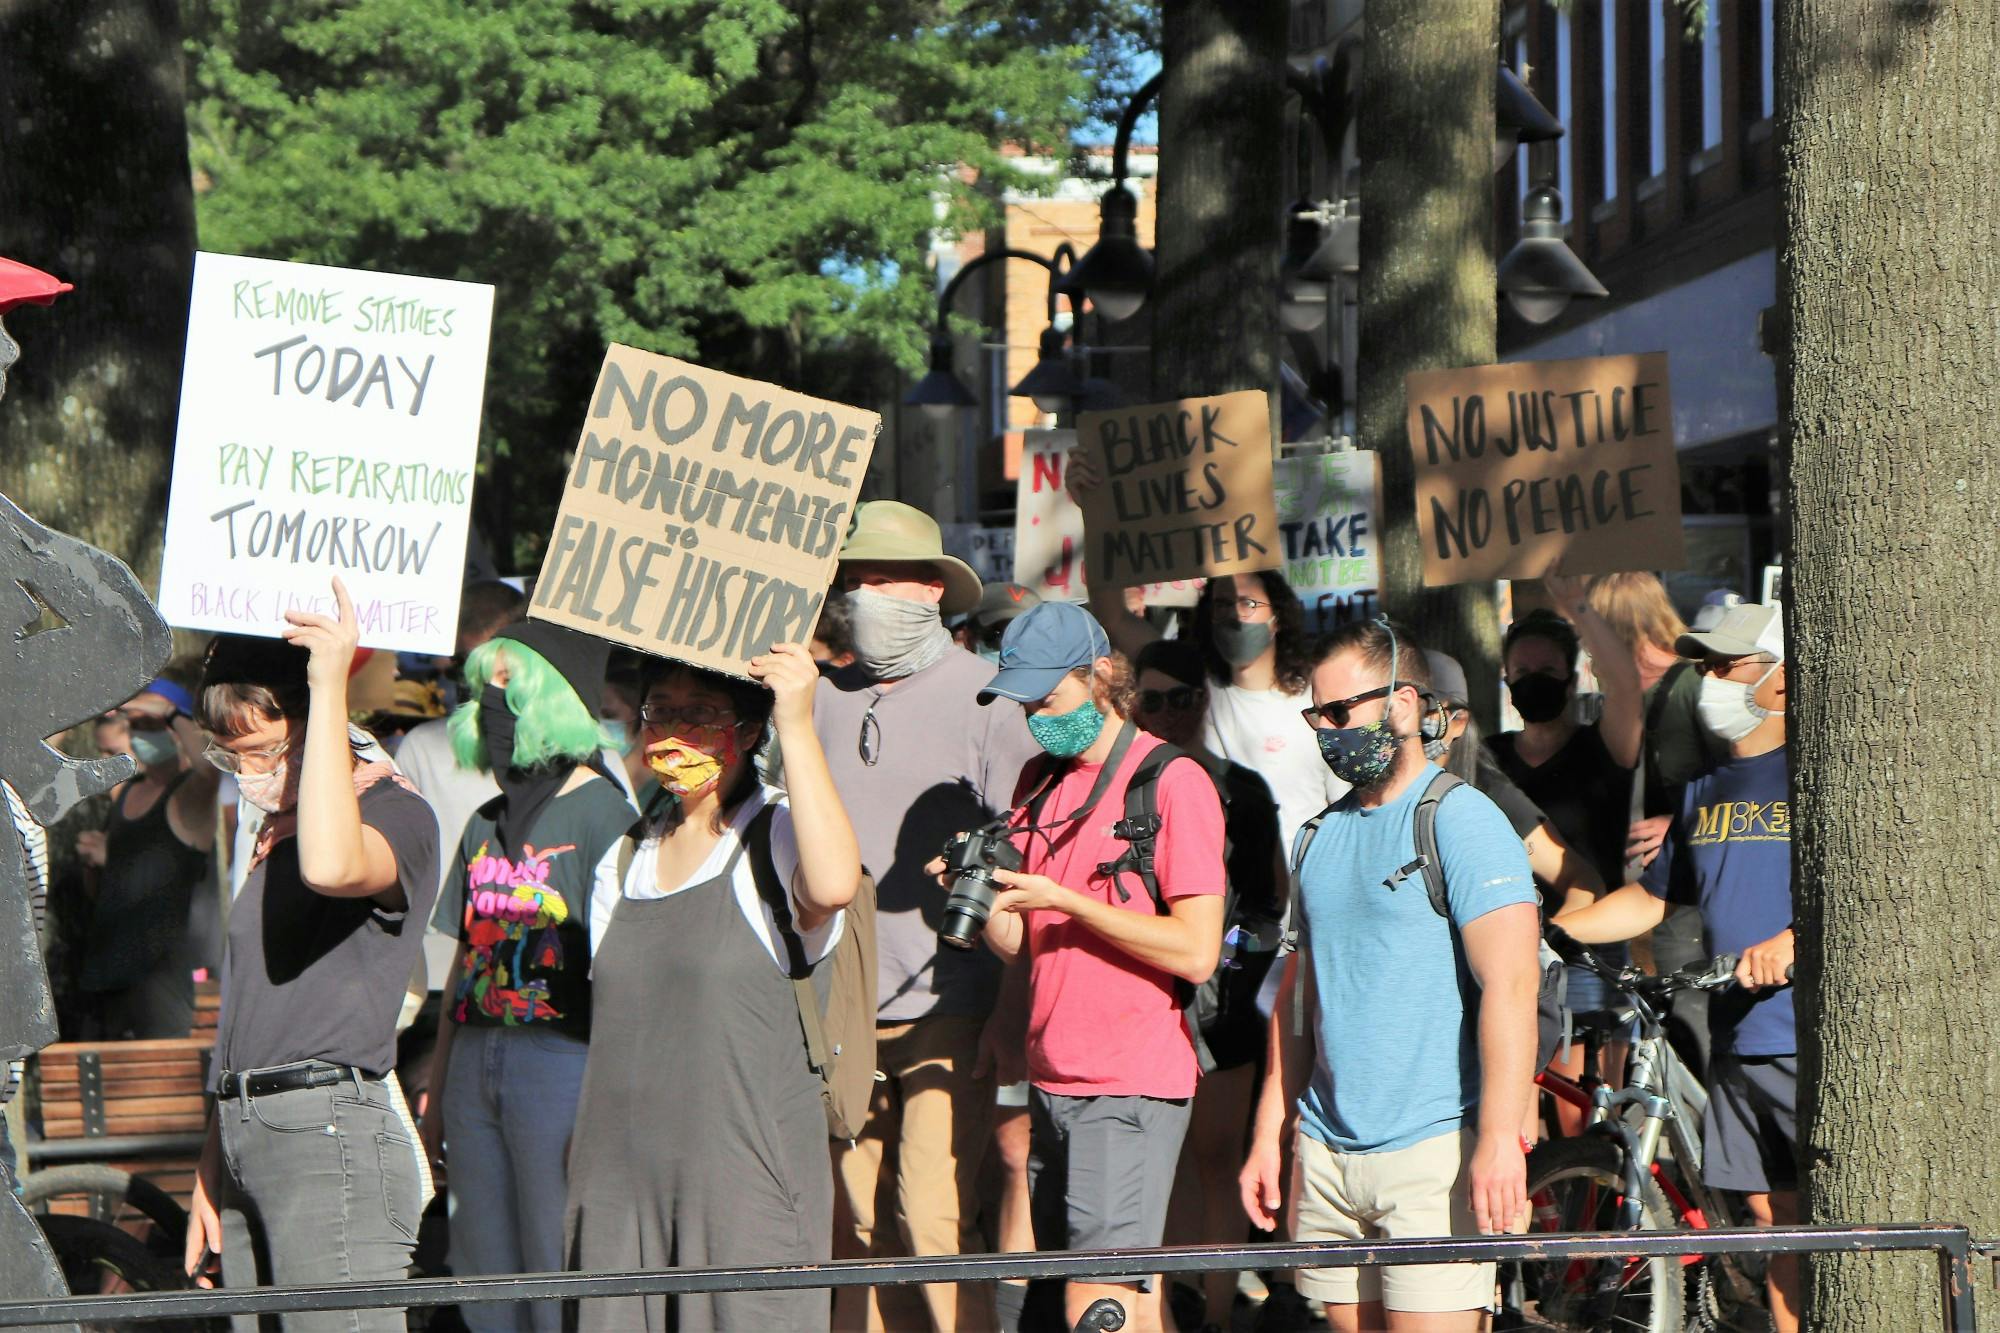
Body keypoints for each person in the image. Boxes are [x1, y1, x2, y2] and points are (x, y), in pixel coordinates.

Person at [1241, 619, 1541, 1333]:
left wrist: (1499, 1138)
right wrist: (1269, 1131)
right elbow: (1296, 1000)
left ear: (1403, 704)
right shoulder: (1315, 836)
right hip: (1326, 1150)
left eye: (1342, 711)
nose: (1329, 729)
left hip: (1434, 1149)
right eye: (1318, 714)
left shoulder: (1462, 820)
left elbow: (1513, 983)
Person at [565, 642, 859, 1332]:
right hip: (617, 1192)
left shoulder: (778, 834)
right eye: (660, 712)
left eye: (701, 715)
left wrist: (800, 721)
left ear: (749, 732)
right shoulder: (624, 856)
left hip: (743, 1187)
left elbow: (834, 884)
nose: (674, 733)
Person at [184, 579, 442, 1330]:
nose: (249, 774)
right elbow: (251, 1005)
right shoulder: (271, 833)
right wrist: (213, 1153)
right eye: (230, 757)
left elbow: (333, 867)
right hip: (247, 1129)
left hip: (330, 1130)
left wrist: (330, 680)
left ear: (313, 729)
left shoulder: (395, 812)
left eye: (262, 751)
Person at [814, 501, 1040, 1333]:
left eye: (880, 577)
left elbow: (1028, 867)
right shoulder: (821, 699)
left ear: (931, 589)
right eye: (855, 579)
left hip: (955, 1000)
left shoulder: (990, 700)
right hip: (843, 1004)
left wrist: (1009, 1012)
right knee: (859, 1228)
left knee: (933, 1216)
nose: (864, 594)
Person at [968, 602, 1225, 1333]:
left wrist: (1068, 902)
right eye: (1025, 701)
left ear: (1102, 673)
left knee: (1100, 1305)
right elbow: (1026, 941)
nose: (1037, 715)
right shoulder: (1037, 781)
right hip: (1054, 1076)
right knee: (1106, 1305)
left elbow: (1196, 949)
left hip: (1129, 1081)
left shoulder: (1173, 781)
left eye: (1050, 696)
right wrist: (981, 892)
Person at [1552, 600, 1798, 1333]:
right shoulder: (1702, 789)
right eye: (1704, 665)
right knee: (1773, 1215)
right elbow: (1653, 899)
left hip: (1798, 1032)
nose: (1710, 680)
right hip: (1734, 1035)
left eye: (1727, 665)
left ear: (1783, 679)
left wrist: (1791, 941)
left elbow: (1862, 894)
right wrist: (1554, 928)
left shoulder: (1820, 774)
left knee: (1815, 1214)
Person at [418, 621, 635, 1333]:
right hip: (476, 1050)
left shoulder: (607, 814)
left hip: (562, 1056)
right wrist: (440, 1086)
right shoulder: (485, 820)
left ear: (552, 696)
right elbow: (463, 958)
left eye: (508, 683)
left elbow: (623, 974)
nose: (489, 701)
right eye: (483, 686)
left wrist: (606, 1103)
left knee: (554, 1258)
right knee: (481, 1265)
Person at [1131, 639, 1285, 1333]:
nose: (1167, 713)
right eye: (1152, 698)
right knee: (1150, 1160)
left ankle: (1218, 1314)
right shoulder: (1117, 782)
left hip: (1221, 997)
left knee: (1216, 1154)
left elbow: (1269, 901)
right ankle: (1160, 1309)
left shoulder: (1243, 788)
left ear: (1205, 700)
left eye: (1182, 697)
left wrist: (1219, 950)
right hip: (1136, 995)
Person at [1487, 588, 1642, 1128]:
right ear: (1506, 682)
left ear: (1573, 677)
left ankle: (1599, 1202)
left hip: (1589, 947)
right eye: (1522, 669)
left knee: (1588, 1108)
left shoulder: (1603, 750)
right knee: (1524, 1088)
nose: (1534, 678)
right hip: (1506, 946)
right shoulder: (1489, 760)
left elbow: (1626, 687)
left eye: (1547, 668)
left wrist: (1578, 605)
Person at [72, 671, 221, 1039]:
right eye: (135, 725)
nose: (141, 734)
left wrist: (173, 714)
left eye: (150, 724)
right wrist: (94, 866)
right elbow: (107, 893)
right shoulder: (128, 793)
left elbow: (211, 772)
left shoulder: (189, 795)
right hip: (106, 975)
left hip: (161, 982)